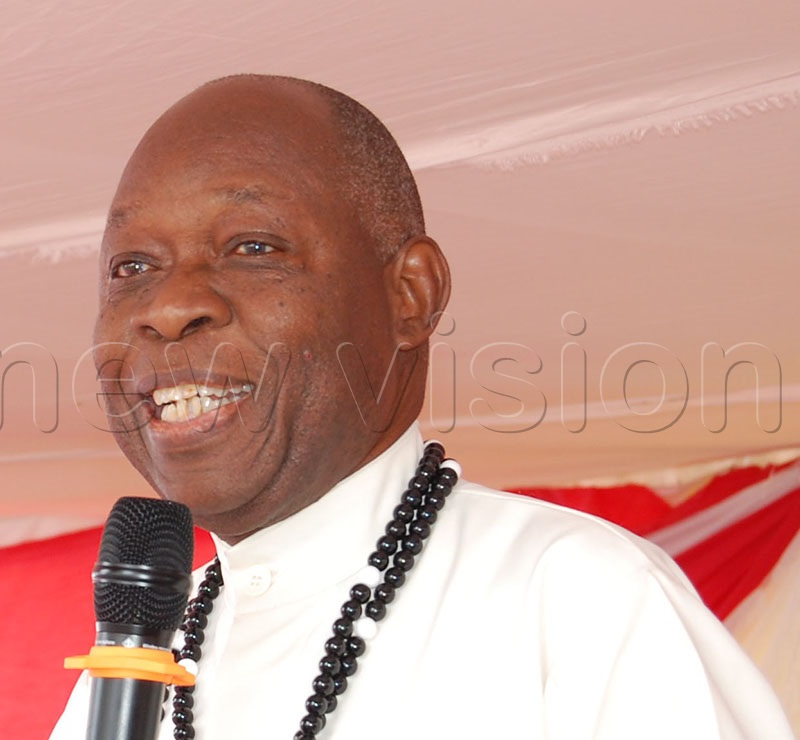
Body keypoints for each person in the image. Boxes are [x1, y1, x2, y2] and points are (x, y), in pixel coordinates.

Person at [51, 75, 794, 740]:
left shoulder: (576, 599)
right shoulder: (123, 675)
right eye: (132, 266)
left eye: (252, 247)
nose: (169, 305)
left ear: (411, 296)